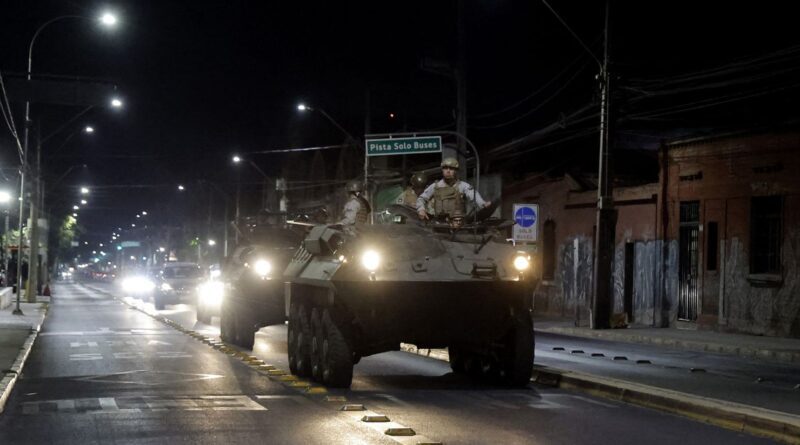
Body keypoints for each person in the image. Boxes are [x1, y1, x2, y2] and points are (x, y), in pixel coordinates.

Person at [417, 157, 491, 221]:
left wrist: (482, 204)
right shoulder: (435, 186)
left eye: (451, 168)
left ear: (456, 171)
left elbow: (473, 195)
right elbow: (421, 198)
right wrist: (421, 209)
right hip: (440, 223)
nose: (448, 171)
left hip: (458, 224)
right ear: (442, 170)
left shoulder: (462, 186)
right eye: (445, 168)